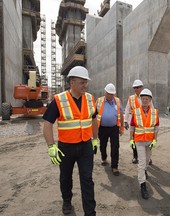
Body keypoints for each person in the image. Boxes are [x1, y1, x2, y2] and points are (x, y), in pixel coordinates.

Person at [43, 66, 98, 215]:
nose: (85, 85)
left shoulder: (90, 98)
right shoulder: (59, 100)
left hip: (85, 146)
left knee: (87, 179)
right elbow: (47, 124)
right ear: (72, 82)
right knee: (65, 177)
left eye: (86, 82)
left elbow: (94, 119)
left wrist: (95, 140)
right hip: (66, 147)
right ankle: (67, 201)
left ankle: (90, 212)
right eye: (82, 82)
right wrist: (51, 146)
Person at [129, 88, 159, 199]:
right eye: (143, 99)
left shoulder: (155, 112)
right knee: (141, 163)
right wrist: (131, 139)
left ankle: (144, 171)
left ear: (150, 100)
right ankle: (143, 185)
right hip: (139, 141)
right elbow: (132, 126)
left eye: (147, 99)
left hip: (150, 141)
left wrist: (155, 140)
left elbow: (156, 127)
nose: (145, 101)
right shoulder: (136, 112)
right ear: (140, 100)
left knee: (146, 160)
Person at [96, 83, 124, 176]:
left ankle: (114, 166)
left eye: (112, 94)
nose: (110, 96)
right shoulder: (99, 101)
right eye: (108, 93)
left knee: (115, 147)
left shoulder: (117, 101)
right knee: (103, 145)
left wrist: (122, 127)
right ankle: (104, 158)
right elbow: (93, 116)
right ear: (105, 92)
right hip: (102, 128)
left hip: (114, 128)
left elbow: (121, 115)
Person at [124, 79, 153, 165]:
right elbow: (127, 109)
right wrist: (125, 121)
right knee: (135, 140)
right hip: (135, 123)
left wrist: (153, 122)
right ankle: (135, 156)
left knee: (148, 140)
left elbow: (152, 109)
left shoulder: (147, 96)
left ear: (141, 88)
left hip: (146, 123)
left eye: (137, 87)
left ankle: (148, 157)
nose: (135, 89)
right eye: (134, 88)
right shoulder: (131, 98)